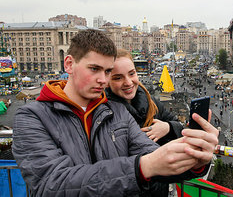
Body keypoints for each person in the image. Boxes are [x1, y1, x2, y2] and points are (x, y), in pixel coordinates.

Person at [12, 29, 219, 197]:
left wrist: (195, 157)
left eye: (108, 71)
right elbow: (52, 185)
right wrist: (141, 168)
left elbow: (154, 157)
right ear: (69, 64)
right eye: (94, 69)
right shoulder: (32, 118)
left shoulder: (116, 112)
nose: (103, 79)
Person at [106, 49, 183, 145]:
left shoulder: (151, 102)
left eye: (131, 73)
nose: (128, 82)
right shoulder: (105, 113)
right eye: (118, 78)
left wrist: (168, 127)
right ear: (106, 81)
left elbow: (180, 126)